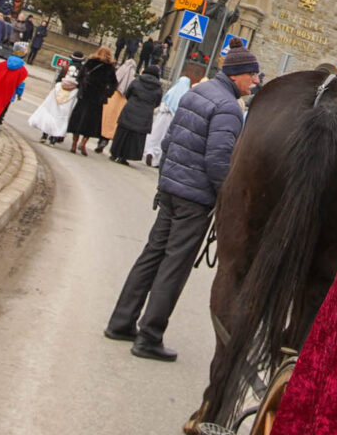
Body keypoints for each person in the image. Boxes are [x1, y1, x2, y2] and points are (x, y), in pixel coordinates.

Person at [106, 46, 262, 361]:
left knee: (151, 255)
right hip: (195, 198)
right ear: (237, 74)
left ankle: (121, 322)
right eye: (253, 74)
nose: (256, 80)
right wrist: (227, 201)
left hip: (171, 190)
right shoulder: (229, 108)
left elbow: (168, 141)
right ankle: (149, 337)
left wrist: (166, 181)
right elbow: (218, 161)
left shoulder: (197, 91)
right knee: (174, 266)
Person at [145, 63, 201, 170]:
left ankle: (150, 152)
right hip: (173, 119)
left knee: (156, 135)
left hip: (162, 116)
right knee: (165, 138)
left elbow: (163, 102)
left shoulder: (171, 91)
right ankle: (157, 159)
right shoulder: (185, 95)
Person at [110, 59, 164, 165]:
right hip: (144, 115)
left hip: (130, 109)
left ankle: (115, 153)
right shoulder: (158, 88)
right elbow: (157, 102)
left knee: (122, 133)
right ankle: (125, 157)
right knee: (134, 137)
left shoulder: (137, 81)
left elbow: (128, 93)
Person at [68, 46, 120, 155]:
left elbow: (80, 77)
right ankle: (83, 142)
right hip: (97, 98)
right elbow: (114, 83)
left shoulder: (90, 62)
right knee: (91, 123)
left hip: (85, 95)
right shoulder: (109, 67)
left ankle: (74, 143)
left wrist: (82, 87)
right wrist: (107, 94)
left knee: (78, 120)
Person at [31, 66, 78, 141]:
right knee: (60, 120)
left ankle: (44, 135)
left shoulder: (59, 83)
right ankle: (54, 138)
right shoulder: (76, 89)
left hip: (56, 101)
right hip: (67, 104)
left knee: (50, 116)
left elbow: (57, 81)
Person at [0, 53, 29, 130]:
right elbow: (21, 84)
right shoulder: (23, 70)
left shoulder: (3, 64)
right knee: (3, 107)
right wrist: (19, 94)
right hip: (10, 93)